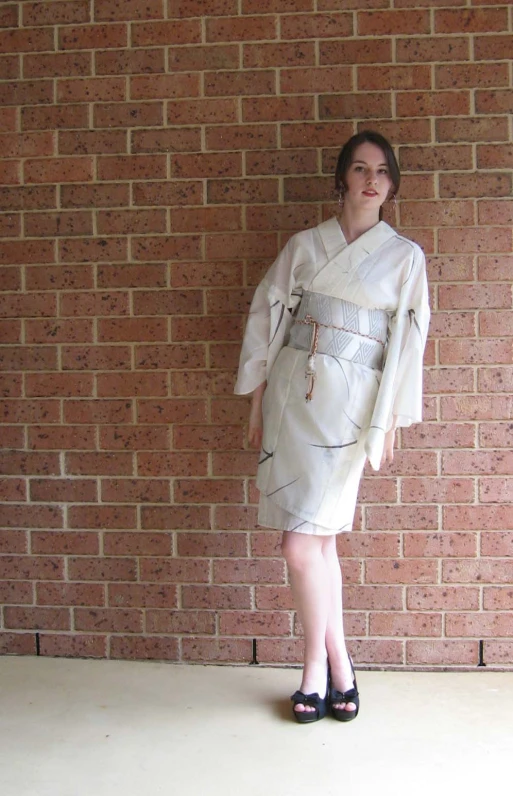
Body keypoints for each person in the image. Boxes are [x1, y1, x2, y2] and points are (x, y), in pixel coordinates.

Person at [234, 131, 430, 723]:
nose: (371, 181)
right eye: (360, 169)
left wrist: (392, 416)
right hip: (296, 394)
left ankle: (318, 666)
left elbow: (409, 341)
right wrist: (257, 395)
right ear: (342, 178)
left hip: (352, 404)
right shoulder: (305, 245)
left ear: (391, 185)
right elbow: (269, 312)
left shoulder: (405, 258)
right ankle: (338, 667)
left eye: (382, 172)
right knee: (316, 542)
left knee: (300, 544)